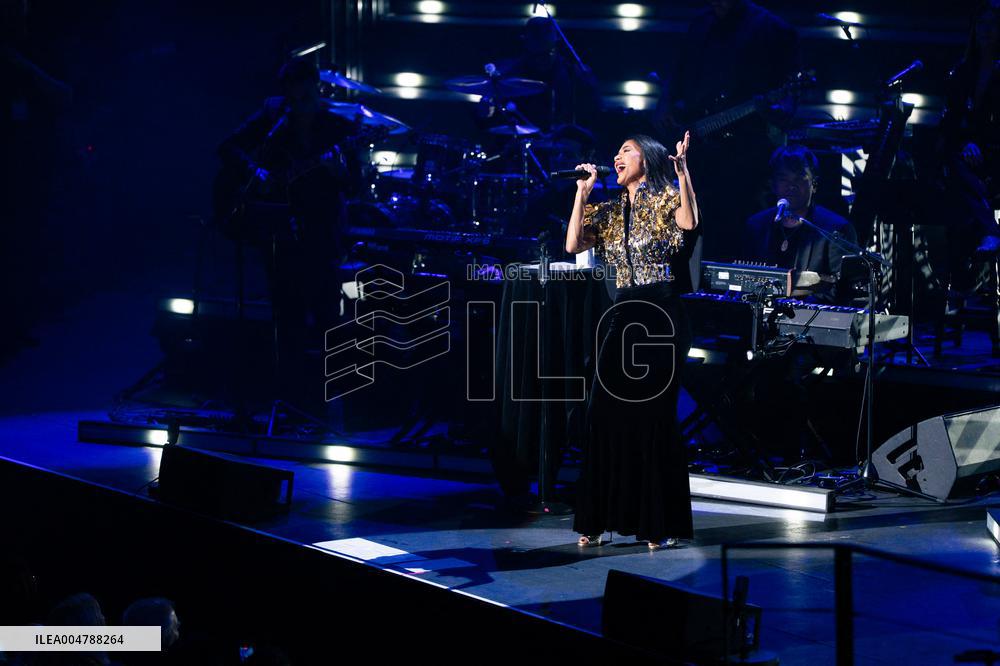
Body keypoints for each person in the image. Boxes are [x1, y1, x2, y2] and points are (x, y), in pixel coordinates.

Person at [565, 132, 698, 549]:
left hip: (660, 316)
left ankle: (658, 523)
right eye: (617, 150)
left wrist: (683, 172)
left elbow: (689, 223)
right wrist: (581, 195)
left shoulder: (664, 200)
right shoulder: (607, 210)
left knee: (652, 418)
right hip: (622, 316)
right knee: (603, 414)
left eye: (626, 149)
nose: (617, 156)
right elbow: (572, 244)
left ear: (648, 159)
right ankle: (599, 517)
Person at [217, 58, 358, 406]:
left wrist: (337, 171)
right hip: (279, 229)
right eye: (292, 93)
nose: (298, 99)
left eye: (304, 91)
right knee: (286, 312)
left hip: (322, 230)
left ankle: (332, 398)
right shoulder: (274, 120)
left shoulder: (338, 128)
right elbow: (227, 147)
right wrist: (258, 172)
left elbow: (354, 184)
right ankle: (289, 395)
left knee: (327, 310)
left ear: (315, 87)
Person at [654, 0, 800, 263]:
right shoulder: (701, 24)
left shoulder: (771, 29)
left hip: (743, 155)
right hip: (698, 149)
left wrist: (773, 109)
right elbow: (676, 74)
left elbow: (786, 102)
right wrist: (665, 106)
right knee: (691, 226)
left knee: (737, 229)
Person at [744, 145, 858, 302]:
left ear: (814, 185)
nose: (791, 186)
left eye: (799, 178)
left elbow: (839, 291)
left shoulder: (836, 229)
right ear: (773, 185)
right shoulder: (756, 225)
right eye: (784, 179)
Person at [938, 0, 1000, 259]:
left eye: (992, 24)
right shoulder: (965, 71)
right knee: (948, 155)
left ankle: (988, 229)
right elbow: (952, 116)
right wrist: (967, 142)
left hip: (995, 147)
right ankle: (989, 229)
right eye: (981, 24)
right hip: (969, 150)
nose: (985, 30)